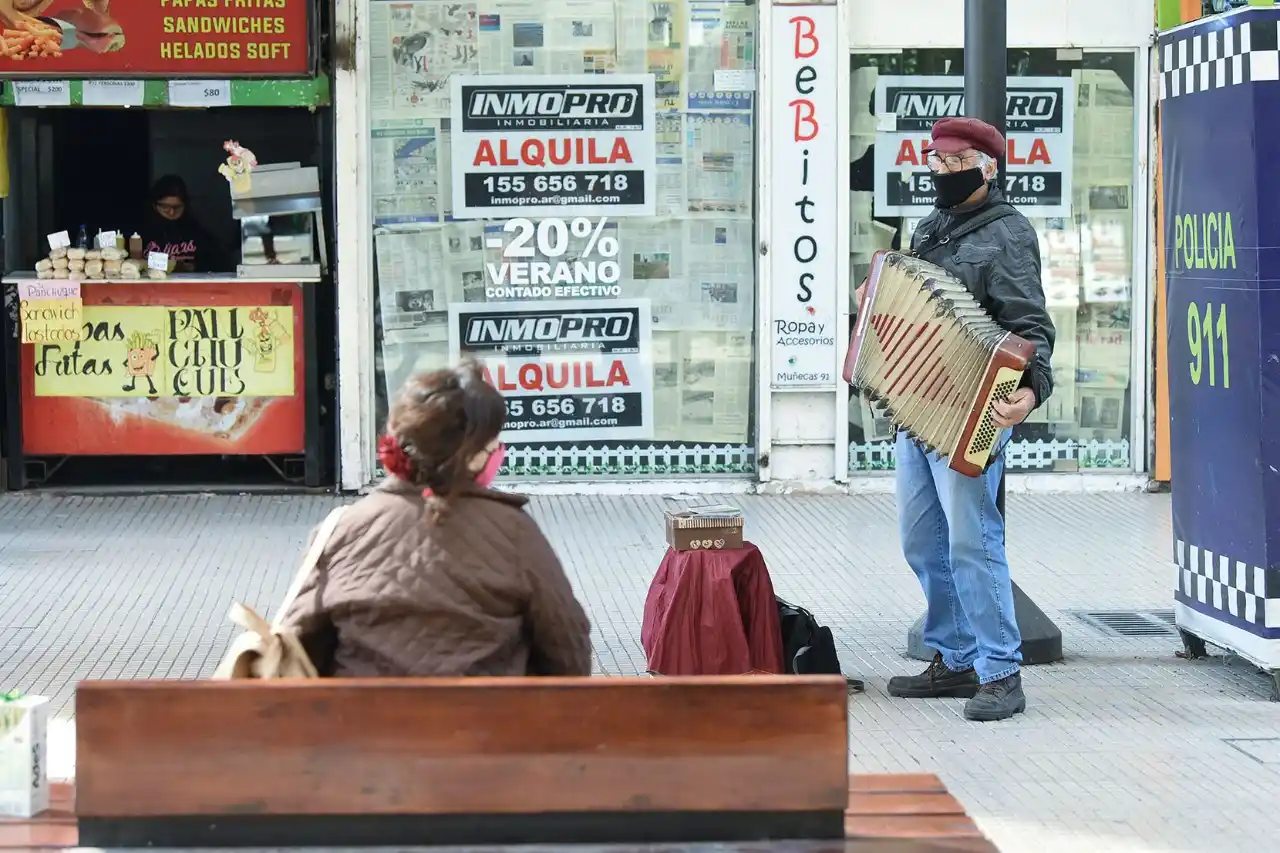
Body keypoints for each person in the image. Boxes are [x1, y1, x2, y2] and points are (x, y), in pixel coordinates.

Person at [856, 117, 1055, 722]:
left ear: (987, 168)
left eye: (955, 162)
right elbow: (911, 313)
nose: (941, 171)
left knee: (974, 541)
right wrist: (872, 307)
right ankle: (955, 656)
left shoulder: (1009, 235)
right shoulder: (928, 228)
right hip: (919, 411)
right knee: (922, 540)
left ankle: (1001, 672)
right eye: (936, 162)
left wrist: (1031, 391)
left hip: (974, 411)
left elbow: (1032, 328)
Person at [279, 361, 594, 677]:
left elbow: (300, 645)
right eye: (491, 442)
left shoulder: (341, 531)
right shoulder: (515, 533)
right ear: (469, 454)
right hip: (487, 723)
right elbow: (569, 657)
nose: (498, 449)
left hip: (363, 724)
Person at [142, 175, 227, 272]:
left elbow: (218, 264)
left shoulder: (199, 235)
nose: (171, 212)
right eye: (165, 206)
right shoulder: (141, 234)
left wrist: (193, 267)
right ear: (154, 205)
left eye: (177, 207)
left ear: (185, 205)